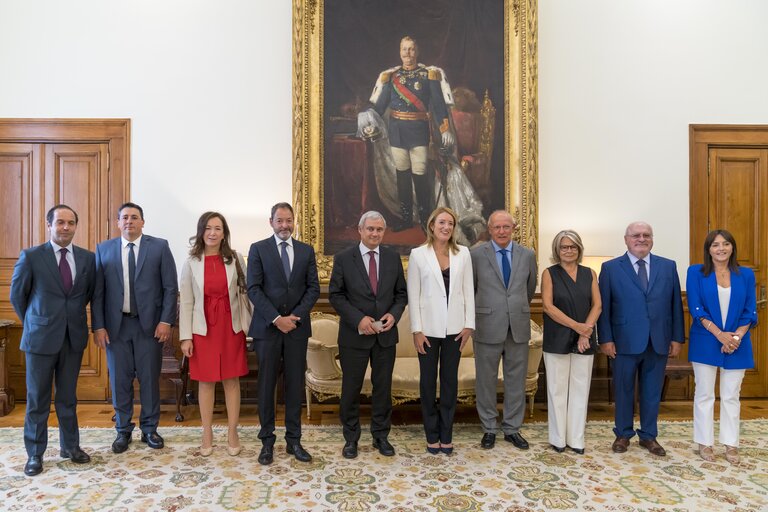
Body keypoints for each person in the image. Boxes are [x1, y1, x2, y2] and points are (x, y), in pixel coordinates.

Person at [10, 205, 96, 476]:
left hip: (73, 338)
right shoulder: (32, 256)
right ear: (49, 225)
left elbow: (87, 294)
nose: (65, 227)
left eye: (71, 223)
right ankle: (35, 454)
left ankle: (70, 447)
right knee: (38, 399)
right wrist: (36, 321)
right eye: (60, 222)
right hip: (40, 339)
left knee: (68, 398)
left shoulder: (87, 259)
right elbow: (17, 296)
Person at [92, 202, 178, 453]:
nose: (129, 221)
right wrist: (98, 326)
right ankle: (122, 431)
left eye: (134, 217)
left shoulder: (159, 247)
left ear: (143, 221)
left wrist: (166, 321)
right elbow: (98, 293)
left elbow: (170, 288)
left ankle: (150, 429)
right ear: (118, 222)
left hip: (149, 327)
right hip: (115, 328)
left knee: (149, 379)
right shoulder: (103, 249)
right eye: (124, 217)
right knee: (120, 381)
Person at [598, 221, 684, 457]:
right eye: (636, 235)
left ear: (652, 239)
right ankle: (623, 434)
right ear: (626, 239)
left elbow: (676, 304)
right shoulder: (611, 268)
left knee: (652, 391)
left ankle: (649, 436)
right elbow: (604, 307)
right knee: (624, 389)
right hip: (623, 340)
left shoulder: (668, 267)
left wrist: (677, 338)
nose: (641, 238)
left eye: (646, 235)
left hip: (658, 340)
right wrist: (605, 338)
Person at [329, 211, 408, 459]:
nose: (375, 233)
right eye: (370, 229)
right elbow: (336, 295)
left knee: (382, 389)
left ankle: (381, 436)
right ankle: (351, 438)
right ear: (360, 230)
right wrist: (359, 319)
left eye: (379, 230)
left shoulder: (393, 258)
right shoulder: (343, 258)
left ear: (384, 232)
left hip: (385, 335)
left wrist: (393, 315)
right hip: (354, 336)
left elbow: (401, 295)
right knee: (351, 389)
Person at [247, 202, 320, 465]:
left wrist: (293, 319)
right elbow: (253, 288)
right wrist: (277, 319)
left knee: (294, 386)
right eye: (280, 221)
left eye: (289, 221)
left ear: (294, 222)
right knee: (266, 386)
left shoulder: (305, 251)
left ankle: (294, 441)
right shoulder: (258, 249)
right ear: (271, 222)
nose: (285, 226)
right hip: (268, 330)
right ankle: (267, 442)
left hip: (297, 330)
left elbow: (313, 288)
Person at [365, 36, 455, 231]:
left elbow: (439, 105)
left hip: (418, 132)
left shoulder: (428, 75)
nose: (408, 53)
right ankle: (405, 219)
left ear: (417, 51)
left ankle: (425, 219)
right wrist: (368, 120)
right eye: (404, 49)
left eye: (411, 49)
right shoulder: (391, 77)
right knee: (402, 175)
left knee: (420, 175)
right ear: (399, 52)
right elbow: (380, 107)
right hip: (396, 132)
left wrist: (445, 127)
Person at [179, 212, 249, 457]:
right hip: (203, 328)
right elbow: (187, 301)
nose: (213, 233)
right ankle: (206, 431)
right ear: (201, 231)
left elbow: (245, 295)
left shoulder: (236, 259)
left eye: (218, 228)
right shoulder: (191, 262)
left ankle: (232, 431)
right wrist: (186, 337)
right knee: (206, 381)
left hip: (231, 327)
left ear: (224, 233)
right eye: (208, 228)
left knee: (232, 380)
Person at [407, 207, 474, 454]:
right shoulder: (417, 254)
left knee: (449, 383)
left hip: (455, 330)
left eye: (451, 224)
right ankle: (431, 434)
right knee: (427, 383)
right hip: (427, 330)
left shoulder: (463, 253)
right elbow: (413, 295)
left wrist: (469, 325)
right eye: (442, 222)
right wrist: (416, 330)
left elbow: (468, 291)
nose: (446, 227)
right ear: (432, 225)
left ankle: (446, 434)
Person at [686, 230, 756, 464]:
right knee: (704, 394)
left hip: (738, 343)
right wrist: (720, 335)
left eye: (726, 244)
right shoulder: (696, 272)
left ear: (732, 248)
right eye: (715, 245)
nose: (721, 248)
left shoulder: (745, 274)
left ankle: (730, 444)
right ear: (708, 249)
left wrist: (735, 338)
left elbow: (749, 310)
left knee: (731, 396)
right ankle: (705, 442)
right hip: (706, 340)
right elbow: (696, 309)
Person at [470, 210, 537, 450]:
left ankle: (512, 428)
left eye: (506, 227)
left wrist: (514, 309)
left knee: (516, 380)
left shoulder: (527, 255)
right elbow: (472, 288)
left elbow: (529, 289)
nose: (501, 231)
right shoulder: (476, 254)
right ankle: (489, 427)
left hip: (517, 326)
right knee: (486, 380)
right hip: (487, 325)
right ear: (490, 229)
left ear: (513, 228)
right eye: (497, 227)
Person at [541, 230, 601, 454]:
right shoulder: (549, 273)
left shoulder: (590, 273)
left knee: (580, 388)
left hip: (585, 338)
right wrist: (578, 328)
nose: (569, 250)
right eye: (564, 247)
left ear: (579, 249)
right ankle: (558, 438)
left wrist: (585, 333)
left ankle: (576, 438)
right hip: (558, 336)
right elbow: (548, 307)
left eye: (573, 247)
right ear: (557, 250)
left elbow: (598, 305)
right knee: (557, 389)